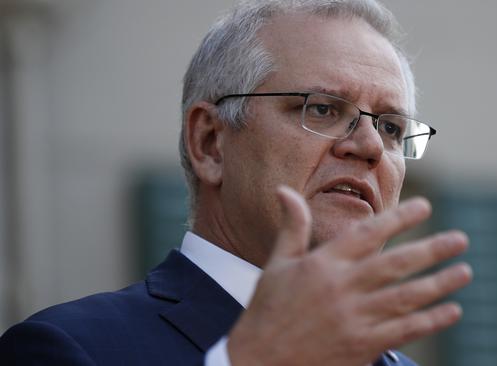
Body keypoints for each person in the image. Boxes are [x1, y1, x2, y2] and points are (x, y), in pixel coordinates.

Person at [0, 0, 472, 365]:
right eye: (323, 109)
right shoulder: (68, 349)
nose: (369, 146)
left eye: (391, 127)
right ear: (210, 142)